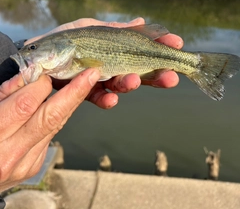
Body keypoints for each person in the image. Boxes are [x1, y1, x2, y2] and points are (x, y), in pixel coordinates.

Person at [0, 17, 183, 193]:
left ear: (63, 46)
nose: (27, 52)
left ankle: (190, 63)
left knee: (142, 80)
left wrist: (10, 57)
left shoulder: (72, 47)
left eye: (33, 48)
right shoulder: (63, 52)